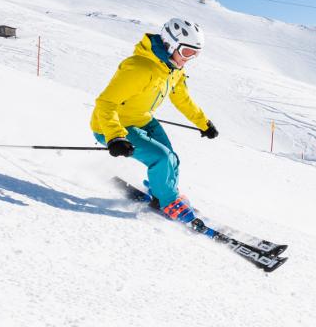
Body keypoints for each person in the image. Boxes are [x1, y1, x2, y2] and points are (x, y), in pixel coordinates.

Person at [90, 17, 219, 223]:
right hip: (111, 126)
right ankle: (166, 202)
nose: (189, 59)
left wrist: (203, 123)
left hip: (141, 120)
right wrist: (115, 137)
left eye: (195, 54)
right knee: (162, 158)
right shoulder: (140, 68)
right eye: (187, 52)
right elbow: (105, 103)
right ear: (170, 44)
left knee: (171, 158)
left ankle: (164, 191)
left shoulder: (172, 68)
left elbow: (182, 99)